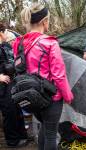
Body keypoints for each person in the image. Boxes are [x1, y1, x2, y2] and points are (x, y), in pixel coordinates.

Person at [13, 3, 73, 150]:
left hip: (30, 96)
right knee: (51, 134)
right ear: (44, 21)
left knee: (44, 130)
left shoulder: (18, 43)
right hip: (51, 97)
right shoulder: (49, 43)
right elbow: (59, 75)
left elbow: (19, 69)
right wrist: (68, 96)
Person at [0, 22, 28, 147]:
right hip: (3, 86)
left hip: (12, 81)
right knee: (9, 112)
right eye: (4, 32)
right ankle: (12, 141)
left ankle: (22, 135)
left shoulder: (5, 46)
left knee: (17, 109)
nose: (6, 34)